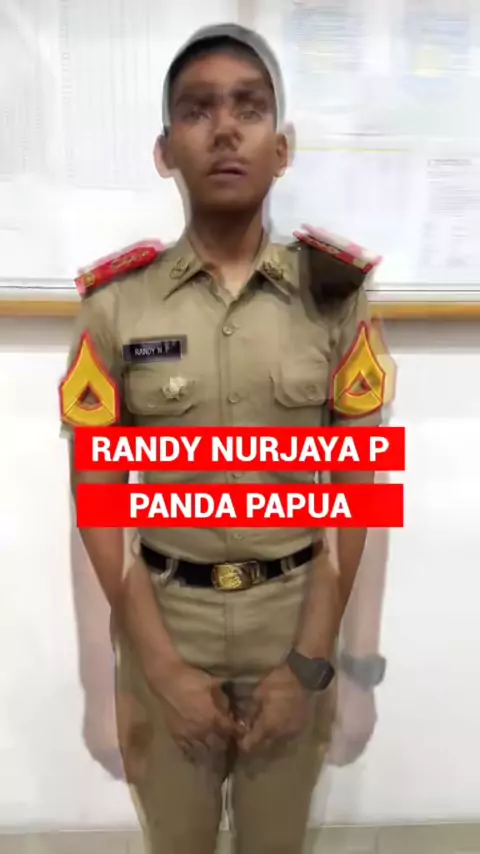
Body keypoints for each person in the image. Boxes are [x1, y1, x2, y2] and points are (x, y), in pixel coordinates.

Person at [61, 23, 387, 854]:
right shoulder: (116, 306)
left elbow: (359, 499)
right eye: (198, 111)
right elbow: (97, 502)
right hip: (165, 618)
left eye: (248, 108)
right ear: (165, 149)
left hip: (295, 617)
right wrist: (154, 671)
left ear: (282, 147)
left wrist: (318, 666)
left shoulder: (334, 297)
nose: (225, 129)